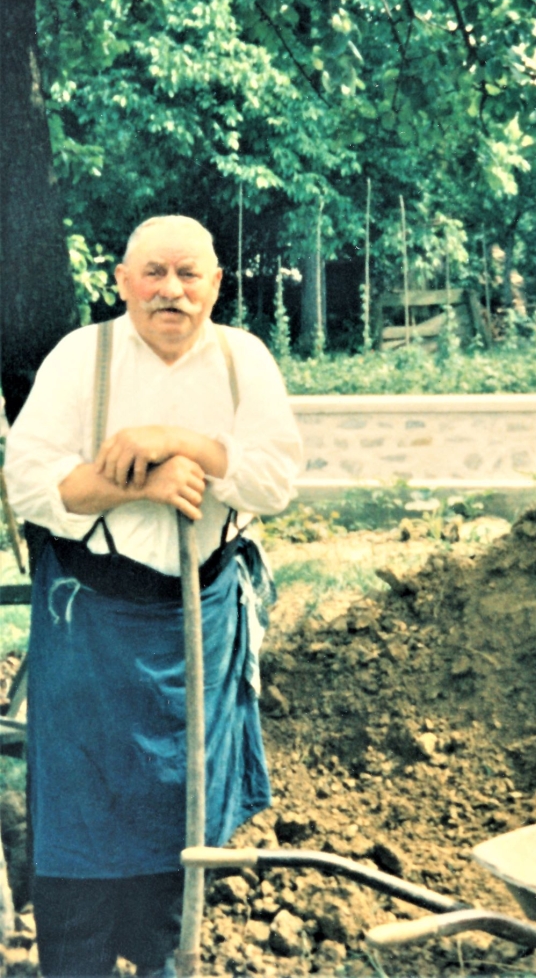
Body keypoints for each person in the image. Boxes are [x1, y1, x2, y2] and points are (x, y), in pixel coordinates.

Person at [5, 215, 303, 976]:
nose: (170, 291)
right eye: (153, 274)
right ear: (123, 282)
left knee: (182, 815)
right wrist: (137, 480)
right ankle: (76, 961)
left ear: (215, 284)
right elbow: (30, 481)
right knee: (80, 827)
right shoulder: (84, 358)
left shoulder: (245, 360)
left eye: (188, 274)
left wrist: (177, 440)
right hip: (92, 626)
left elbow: (275, 478)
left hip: (197, 627)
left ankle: (166, 954)